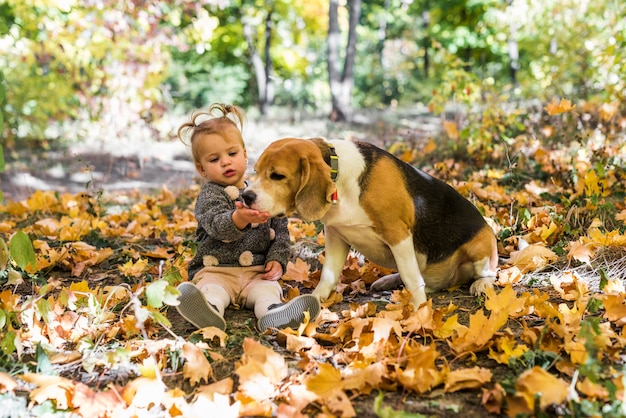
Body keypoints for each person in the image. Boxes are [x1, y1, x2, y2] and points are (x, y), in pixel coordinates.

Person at [174, 103, 320, 332]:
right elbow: (216, 225)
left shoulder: (262, 193)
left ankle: (273, 313)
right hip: (217, 271)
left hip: (256, 273)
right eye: (214, 159)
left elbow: (280, 231)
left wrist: (277, 260)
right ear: (201, 169)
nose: (225, 162)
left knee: (267, 291)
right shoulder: (209, 196)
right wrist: (238, 219)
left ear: (244, 155)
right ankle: (208, 310)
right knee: (212, 290)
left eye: (232, 154)